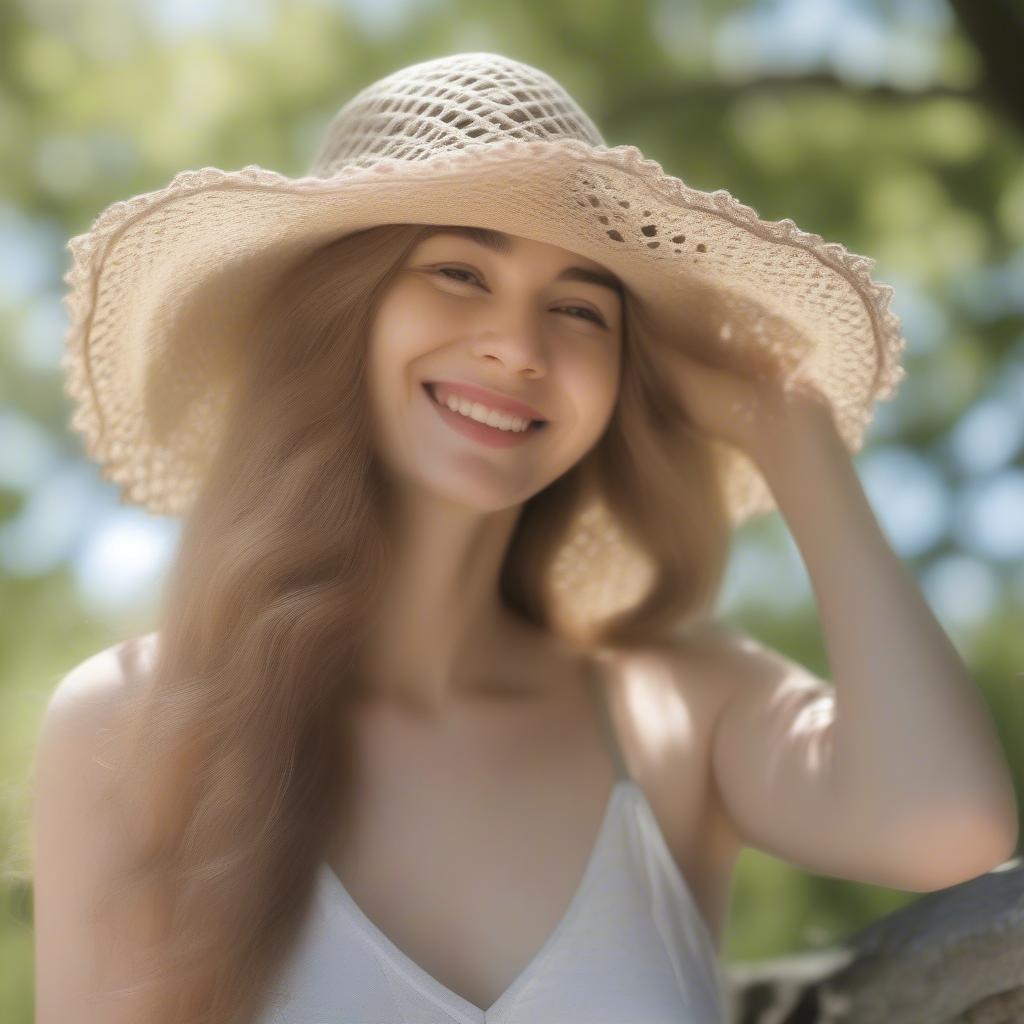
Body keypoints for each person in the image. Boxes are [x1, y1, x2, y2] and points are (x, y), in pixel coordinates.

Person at [30, 51, 1016, 1024]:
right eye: (460, 270)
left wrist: (784, 428)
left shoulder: (674, 709)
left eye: (580, 307)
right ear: (343, 313)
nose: (519, 344)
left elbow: (949, 826)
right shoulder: (130, 726)